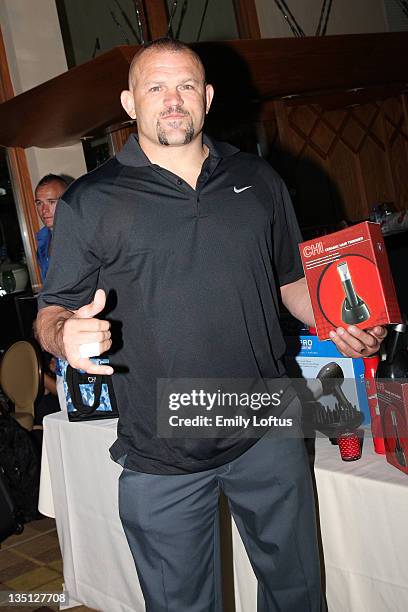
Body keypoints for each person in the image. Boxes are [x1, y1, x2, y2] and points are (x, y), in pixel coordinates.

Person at [37, 38, 386, 612]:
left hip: (264, 420)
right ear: (130, 102)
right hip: (162, 443)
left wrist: (338, 322)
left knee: (297, 592)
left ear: (208, 96)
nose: (172, 100)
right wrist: (63, 335)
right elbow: (52, 311)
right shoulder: (90, 200)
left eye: (187, 86)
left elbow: (290, 279)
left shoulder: (258, 178)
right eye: (156, 87)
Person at [34, 174, 67, 281]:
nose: (44, 210)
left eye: (51, 202)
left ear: (67, 201)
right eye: (39, 203)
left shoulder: (83, 237)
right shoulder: (42, 240)